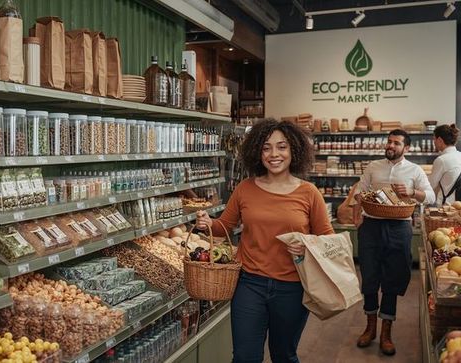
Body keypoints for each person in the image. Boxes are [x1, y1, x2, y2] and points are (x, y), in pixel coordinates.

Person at [195, 119, 333, 363]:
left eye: (282, 147)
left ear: (294, 150)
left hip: (293, 287)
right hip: (249, 284)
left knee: (284, 355)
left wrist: (306, 245)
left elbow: (328, 240)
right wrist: (207, 223)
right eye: (266, 147)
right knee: (244, 356)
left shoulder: (309, 193)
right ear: (257, 152)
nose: (274, 154)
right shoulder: (245, 188)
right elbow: (224, 227)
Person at [352, 129, 435, 355]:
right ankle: (370, 327)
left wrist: (412, 191)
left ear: (406, 148)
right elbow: (360, 188)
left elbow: (431, 196)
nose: (390, 145)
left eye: (396, 143)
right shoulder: (373, 167)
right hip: (371, 226)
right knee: (369, 276)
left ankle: (386, 331)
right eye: (388, 142)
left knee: (393, 277)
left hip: (399, 228)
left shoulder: (414, 170)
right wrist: (360, 201)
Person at [429, 124, 461, 205]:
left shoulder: (441, 160)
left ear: (439, 140)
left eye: (434, 139)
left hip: (447, 207)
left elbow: (430, 186)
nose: (434, 142)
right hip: (458, 206)